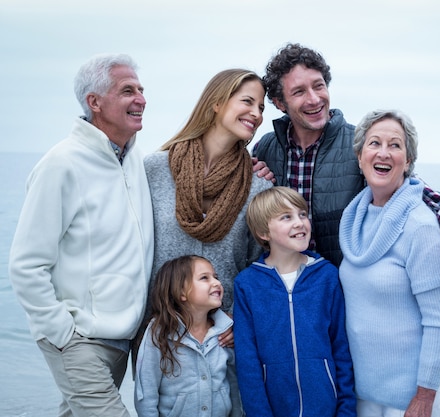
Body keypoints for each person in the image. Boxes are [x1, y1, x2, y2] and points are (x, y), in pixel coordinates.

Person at [8, 53, 153, 416]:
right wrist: (61, 332)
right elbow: (26, 263)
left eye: (141, 90)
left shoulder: (134, 160)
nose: (141, 99)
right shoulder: (61, 164)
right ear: (95, 102)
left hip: (123, 336)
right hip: (79, 338)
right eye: (127, 91)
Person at [253, 43, 440, 272]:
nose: (314, 99)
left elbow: (427, 198)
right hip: (282, 292)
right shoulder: (265, 149)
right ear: (280, 102)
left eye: (319, 86)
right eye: (299, 92)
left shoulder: (361, 144)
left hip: (344, 296)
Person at [138, 68, 273, 352]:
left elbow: (259, 263)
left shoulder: (256, 187)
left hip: (224, 339)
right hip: (160, 335)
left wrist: (242, 317)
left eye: (261, 107)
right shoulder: (154, 170)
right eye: (247, 102)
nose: (257, 114)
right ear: (217, 102)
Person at [340, 109, 440, 417]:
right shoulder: (354, 219)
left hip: (411, 397)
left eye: (395, 145)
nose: (384, 153)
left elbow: (438, 320)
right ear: (360, 155)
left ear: (408, 161)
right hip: (365, 392)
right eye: (374, 143)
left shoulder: (420, 226)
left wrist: (425, 395)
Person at [233, 186, 356, 417]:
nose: (300, 222)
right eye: (286, 217)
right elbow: (247, 362)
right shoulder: (247, 285)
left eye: (302, 214)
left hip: (325, 408)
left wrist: (346, 412)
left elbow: (341, 348)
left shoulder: (327, 276)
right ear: (263, 232)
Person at [134, 255, 243, 417]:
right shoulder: (158, 334)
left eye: (216, 277)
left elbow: (234, 384)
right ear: (181, 292)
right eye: (204, 278)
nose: (216, 283)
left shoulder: (225, 332)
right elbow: (146, 392)